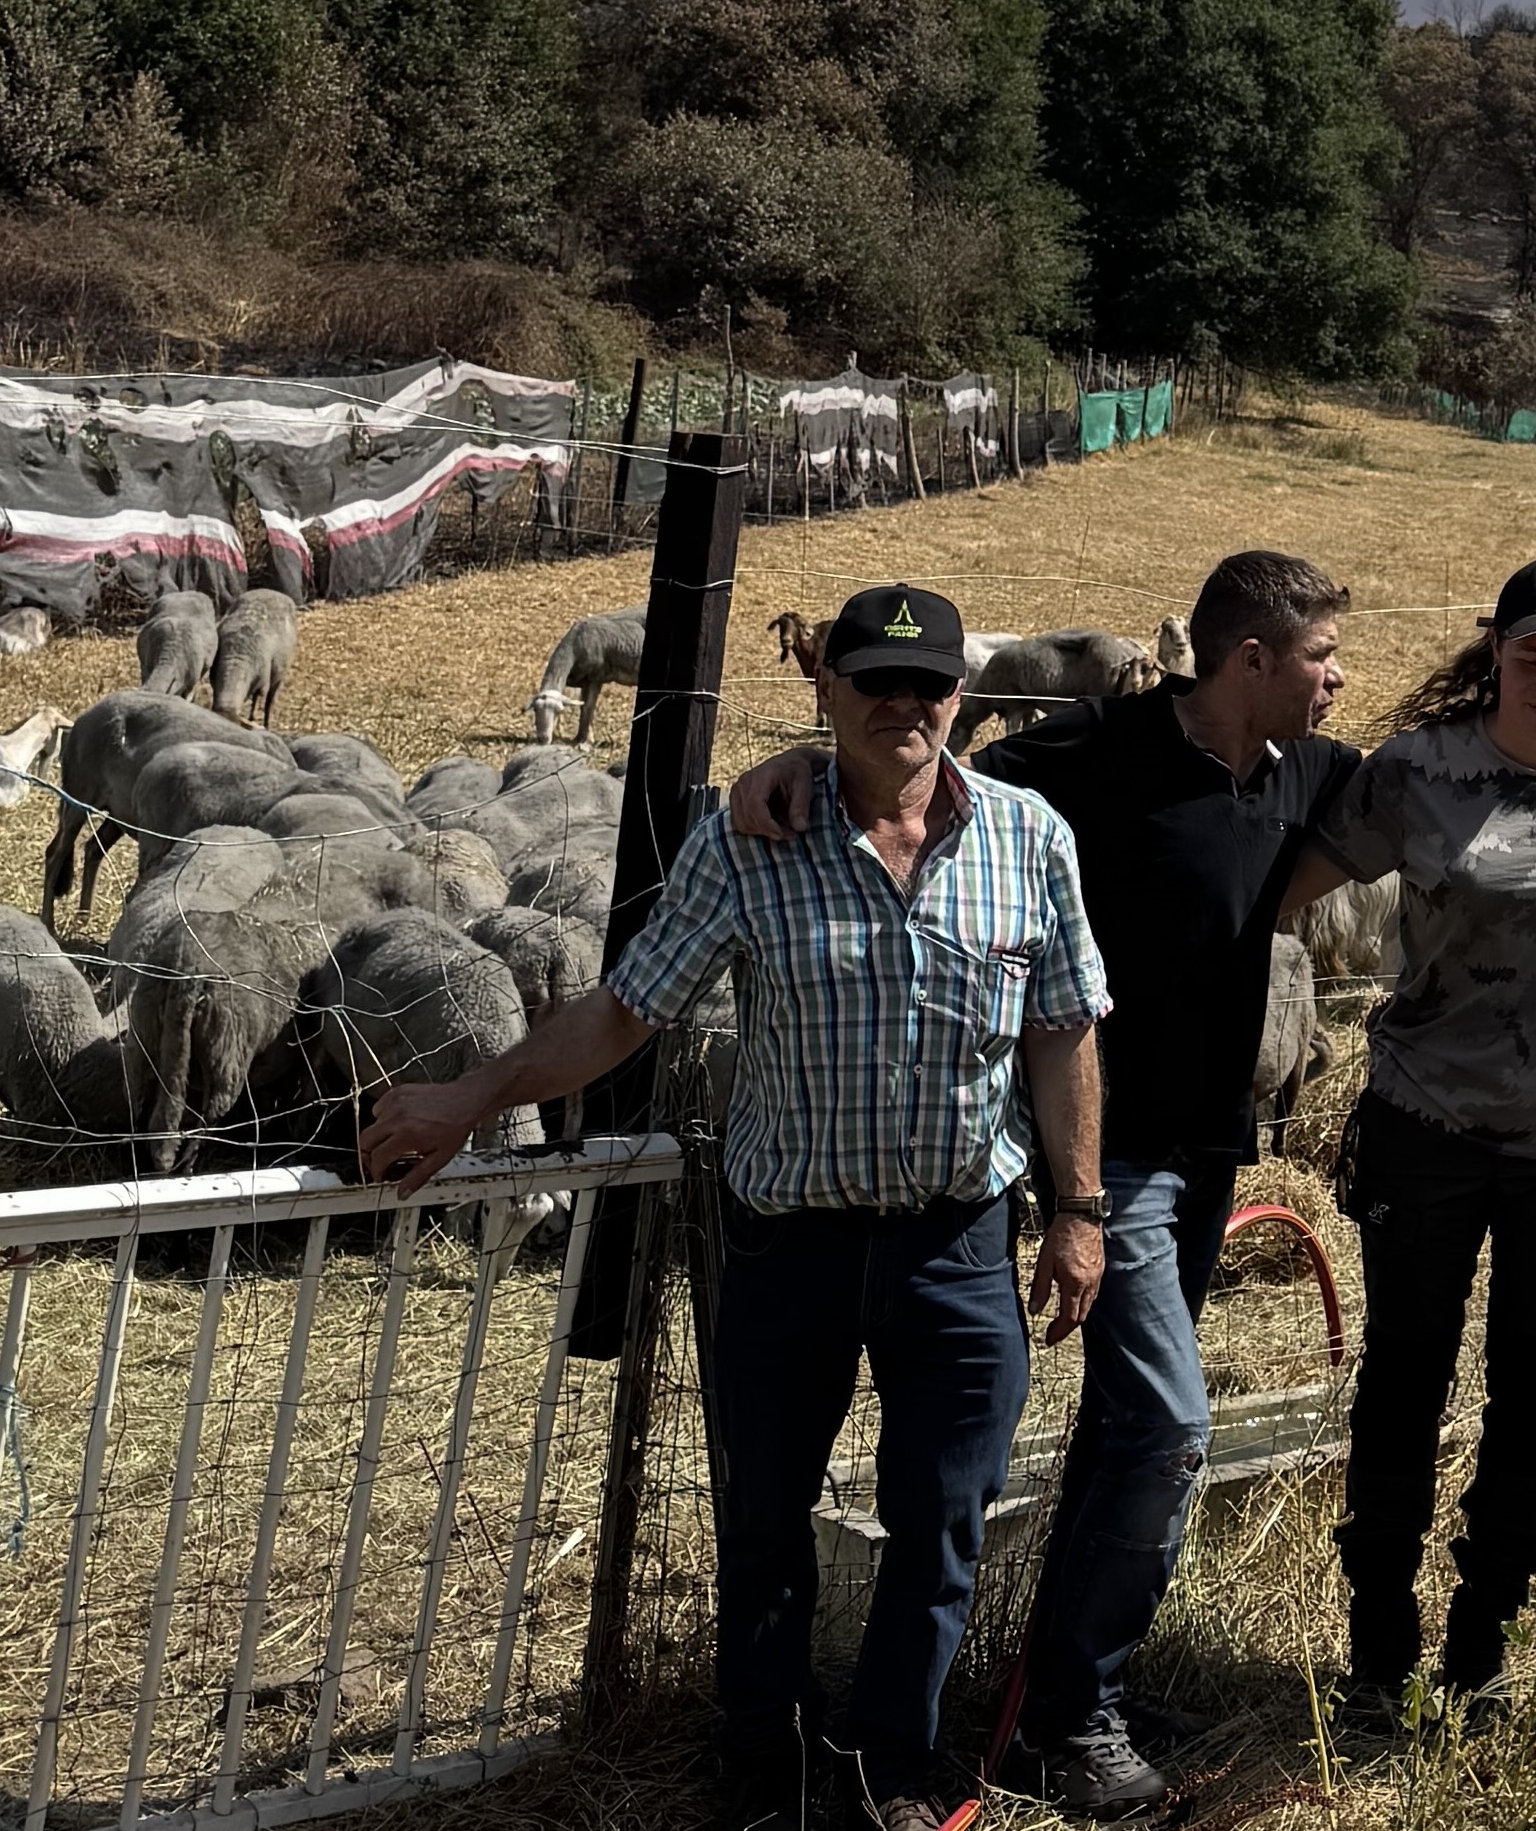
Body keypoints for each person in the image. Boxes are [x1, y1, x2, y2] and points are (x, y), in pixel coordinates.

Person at [356, 584, 1107, 1831]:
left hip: (957, 1243)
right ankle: (760, 1769)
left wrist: (1080, 1212)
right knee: (765, 1523)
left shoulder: (1030, 840)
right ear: (827, 691)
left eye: (927, 685)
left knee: (940, 1529)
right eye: (873, 681)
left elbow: (1066, 1030)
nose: (902, 706)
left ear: (960, 699)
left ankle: (887, 1774)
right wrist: (472, 1094)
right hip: (789, 1243)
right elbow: (622, 1010)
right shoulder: (751, 837)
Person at [726, 552, 1362, 1815]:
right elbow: (919, 780)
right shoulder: (1087, 751)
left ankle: (1044, 1706)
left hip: (1202, 1153)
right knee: (1170, 1426)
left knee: (1124, 1436)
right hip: (1101, 1160)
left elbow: (1476, 755)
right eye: (1321, 658)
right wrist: (796, 765)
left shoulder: (1312, 772)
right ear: (1250, 661)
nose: (1339, 680)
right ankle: (1070, 1715)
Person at [1281, 554, 1536, 1729]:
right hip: (1425, 1122)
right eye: (1532, 658)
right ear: (1496, 652)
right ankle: (1375, 1653)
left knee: (1533, 1383)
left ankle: (1483, 1654)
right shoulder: (1419, 770)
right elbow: (1286, 880)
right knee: (1405, 1376)